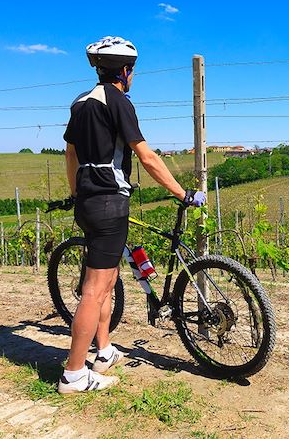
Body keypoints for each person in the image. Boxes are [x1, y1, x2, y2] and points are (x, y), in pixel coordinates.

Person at [57, 36, 206, 394]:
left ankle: (103, 351)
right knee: (95, 289)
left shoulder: (80, 103)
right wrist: (182, 192)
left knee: (107, 281)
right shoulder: (119, 102)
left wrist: (77, 193)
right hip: (111, 202)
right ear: (125, 71)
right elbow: (147, 156)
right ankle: (74, 374)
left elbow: (70, 154)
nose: (132, 76)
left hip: (89, 203)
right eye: (132, 71)